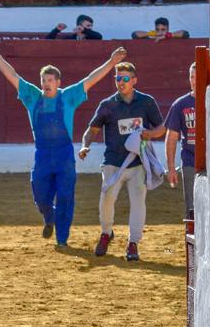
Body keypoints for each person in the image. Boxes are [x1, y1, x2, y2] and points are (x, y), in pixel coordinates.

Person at [0, 34, 127, 249]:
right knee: (40, 196)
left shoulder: (68, 96)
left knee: (65, 197)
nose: (46, 84)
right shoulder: (32, 96)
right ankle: (49, 217)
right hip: (42, 155)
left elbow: (90, 79)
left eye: (50, 80)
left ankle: (62, 239)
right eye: (43, 80)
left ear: (58, 82)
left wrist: (111, 62)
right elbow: (11, 74)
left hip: (63, 156)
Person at [79, 60, 165, 261]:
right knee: (107, 199)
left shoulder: (146, 102)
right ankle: (106, 233)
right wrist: (85, 145)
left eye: (125, 78)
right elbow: (91, 130)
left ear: (134, 80)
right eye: (118, 78)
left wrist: (150, 135)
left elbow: (161, 127)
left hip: (138, 163)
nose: (121, 82)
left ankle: (133, 243)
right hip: (113, 161)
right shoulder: (107, 105)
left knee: (138, 203)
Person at [165, 62, 196, 219]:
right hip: (190, 161)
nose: (194, 81)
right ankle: (192, 242)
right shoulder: (181, 104)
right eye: (191, 76)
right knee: (191, 208)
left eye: (197, 77)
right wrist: (171, 168)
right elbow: (171, 137)